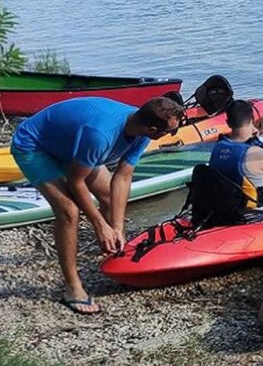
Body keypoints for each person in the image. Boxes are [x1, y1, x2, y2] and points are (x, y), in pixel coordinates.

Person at [10, 96, 186, 315]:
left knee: (111, 201)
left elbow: (123, 177)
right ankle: (72, 288)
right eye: (170, 132)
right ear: (153, 129)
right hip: (34, 145)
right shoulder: (100, 135)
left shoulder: (141, 129)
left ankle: (114, 252)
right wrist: (99, 224)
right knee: (69, 211)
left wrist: (118, 227)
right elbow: (76, 181)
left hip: (71, 145)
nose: (171, 135)